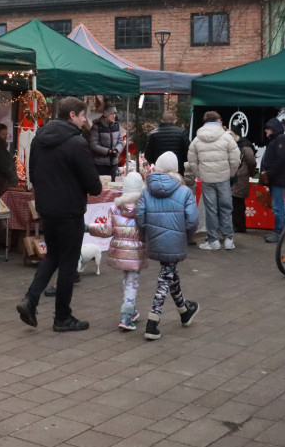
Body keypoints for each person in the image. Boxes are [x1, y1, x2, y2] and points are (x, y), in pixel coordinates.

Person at [16, 96, 102, 332]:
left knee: (53, 255)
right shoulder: (76, 143)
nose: (86, 120)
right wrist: (91, 186)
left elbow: (33, 173)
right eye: (83, 115)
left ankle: (31, 300)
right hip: (70, 210)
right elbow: (93, 184)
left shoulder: (39, 138)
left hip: (46, 207)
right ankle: (62, 316)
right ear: (72, 115)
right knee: (67, 262)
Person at [135, 152, 200, 340]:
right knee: (165, 277)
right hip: (176, 241)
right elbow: (192, 222)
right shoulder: (185, 191)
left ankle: (184, 310)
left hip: (155, 239)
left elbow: (140, 217)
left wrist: (147, 236)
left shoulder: (146, 191)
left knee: (169, 272)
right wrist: (184, 237)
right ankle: (152, 322)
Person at [87, 172, 148, 331]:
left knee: (127, 280)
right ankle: (126, 316)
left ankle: (131, 311)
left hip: (120, 252)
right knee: (132, 282)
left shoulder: (115, 208)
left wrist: (89, 228)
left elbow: (107, 230)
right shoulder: (144, 208)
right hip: (137, 252)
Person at [188, 111, 239, 251]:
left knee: (210, 209)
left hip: (207, 179)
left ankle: (213, 241)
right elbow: (235, 158)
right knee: (226, 208)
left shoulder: (197, 139)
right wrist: (231, 173)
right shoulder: (227, 137)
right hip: (223, 178)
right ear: (218, 120)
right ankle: (229, 239)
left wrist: (200, 174)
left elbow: (192, 161)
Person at [260, 117, 285, 243]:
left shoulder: (280, 140)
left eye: (268, 128)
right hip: (276, 179)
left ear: (273, 129)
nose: (266, 131)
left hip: (277, 179)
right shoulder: (278, 140)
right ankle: (277, 231)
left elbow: (281, 160)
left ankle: (279, 232)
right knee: (277, 206)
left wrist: (268, 173)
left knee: (278, 206)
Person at [230, 131, 258, 233]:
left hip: (240, 177)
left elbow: (251, 161)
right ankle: (238, 226)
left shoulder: (245, 146)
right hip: (237, 177)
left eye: (231, 134)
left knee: (237, 203)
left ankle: (239, 227)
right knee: (236, 202)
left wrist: (249, 172)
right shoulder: (238, 145)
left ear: (236, 134)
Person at [89, 105, 124, 180]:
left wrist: (117, 150)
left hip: (114, 163)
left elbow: (121, 141)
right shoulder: (97, 127)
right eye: (111, 114)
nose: (114, 116)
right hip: (100, 164)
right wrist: (108, 151)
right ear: (106, 115)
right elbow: (93, 145)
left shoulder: (117, 126)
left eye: (115, 114)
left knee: (114, 185)